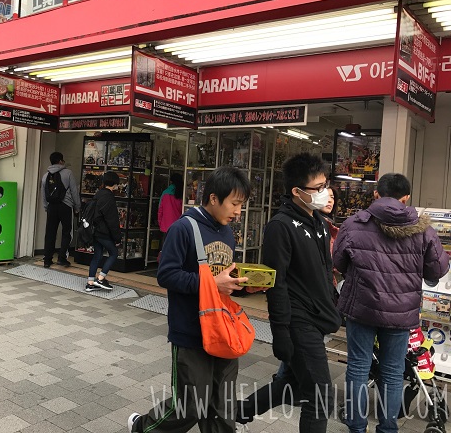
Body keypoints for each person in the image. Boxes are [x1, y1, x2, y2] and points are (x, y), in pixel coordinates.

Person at [129, 166, 259, 433]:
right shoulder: (183, 228)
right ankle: (143, 427)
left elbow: (222, 278)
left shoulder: (225, 231)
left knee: (222, 408)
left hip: (223, 330)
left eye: (241, 205)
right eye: (234, 204)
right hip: (191, 331)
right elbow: (166, 275)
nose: (238, 212)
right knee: (191, 404)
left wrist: (243, 284)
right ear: (213, 198)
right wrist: (212, 283)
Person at [333, 173, 450, 433]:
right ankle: (388, 428)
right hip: (401, 313)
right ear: (406, 197)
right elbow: (437, 270)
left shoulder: (353, 224)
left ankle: (356, 427)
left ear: (376, 194)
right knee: (393, 371)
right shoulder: (423, 229)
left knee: (358, 368)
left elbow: (338, 262)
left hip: (360, 308)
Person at [235, 153, 341, 433]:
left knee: (292, 384)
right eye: (317, 188)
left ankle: (239, 412)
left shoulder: (317, 221)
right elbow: (275, 284)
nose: (324, 192)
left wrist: (333, 304)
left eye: (325, 184)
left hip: (317, 318)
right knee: (320, 398)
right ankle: (238, 412)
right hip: (298, 320)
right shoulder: (280, 227)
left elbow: (322, 271)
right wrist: (280, 332)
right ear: (297, 191)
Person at [41, 152, 80, 268]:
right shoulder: (68, 173)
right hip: (66, 205)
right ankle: (62, 258)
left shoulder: (45, 176)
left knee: (50, 232)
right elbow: (74, 191)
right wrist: (77, 207)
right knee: (67, 232)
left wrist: (46, 207)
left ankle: (47, 259)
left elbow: (44, 194)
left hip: (52, 206)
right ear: (60, 161)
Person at [86, 171, 122, 292]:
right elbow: (112, 221)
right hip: (104, 232)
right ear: (115, 184)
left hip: (95, 230)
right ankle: (101, 278)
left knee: (97, 255)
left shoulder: (98, 194)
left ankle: (90, 283)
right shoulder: (109, 197)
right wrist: (117, 238)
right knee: (114, 253)